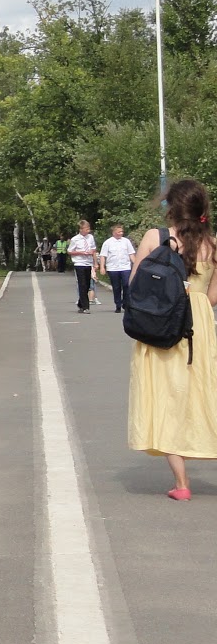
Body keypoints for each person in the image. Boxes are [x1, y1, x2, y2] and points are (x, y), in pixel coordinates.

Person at [128, 180, 217, 499]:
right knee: (202, 393)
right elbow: (212, 296)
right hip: (200, 325)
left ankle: (182, 484)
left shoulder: (156, 237)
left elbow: (136, 283)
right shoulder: (214, 244)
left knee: (166, 397)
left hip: (165, 322)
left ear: (172, 207)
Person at [99, 223, 135, 312]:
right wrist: (102, 267)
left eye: (122, 231)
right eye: (119, 232)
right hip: (113, 268)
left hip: (125, 267)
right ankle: (118, 304)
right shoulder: (108, 243)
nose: (121, 233)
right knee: (116, 287)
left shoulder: (126, 241)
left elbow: (131, 254)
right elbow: (103, 256)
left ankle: (126, 303)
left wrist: (137, 264)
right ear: (114, 232)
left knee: (126, 284)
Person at [65, 220, 97, 311]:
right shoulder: (75, 239)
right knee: (82, 284)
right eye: (86, 229)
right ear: (81, 229)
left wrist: (95, 262)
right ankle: (86, 307)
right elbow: (70, 251)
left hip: (88, 262)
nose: (88, 231)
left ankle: (81, 303)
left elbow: (94, 249)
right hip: (79, 263)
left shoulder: (90, 237)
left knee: (87, 285)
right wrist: (80, 252)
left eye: (89, 229)